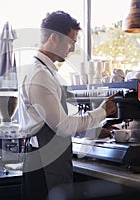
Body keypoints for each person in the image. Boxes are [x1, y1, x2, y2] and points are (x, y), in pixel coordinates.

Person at [18, 11, 117, 200]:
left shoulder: (46, 72)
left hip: (47, 159)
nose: (72, 49)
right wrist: (102, 112)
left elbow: (60, 121)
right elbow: (63, 127)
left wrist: (94, 131)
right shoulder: (40, 76)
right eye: (71, 42)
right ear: (54, 38)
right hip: (44, 164)